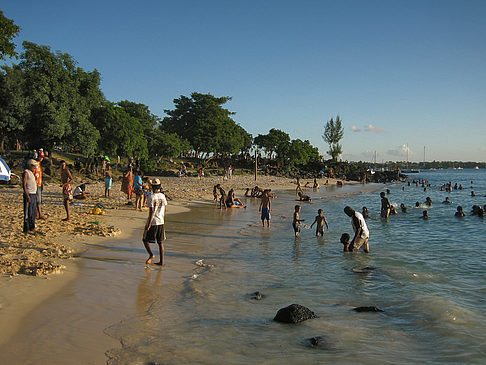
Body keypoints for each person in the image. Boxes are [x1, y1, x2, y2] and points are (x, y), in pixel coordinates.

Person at [142, 178, 168, 265]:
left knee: (145, 239)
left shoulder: (151, 197)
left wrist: (148, 225)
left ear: (152, 187)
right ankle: (161, 261)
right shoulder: (162, 196)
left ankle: (151, 255)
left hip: (153, 222)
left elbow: (151, 211)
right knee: (160, 242)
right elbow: (165, 208)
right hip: (161, 221)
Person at [23, 159, 38, 233]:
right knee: (28, 212)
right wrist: (27, 195)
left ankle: (32, 227)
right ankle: (27, 228)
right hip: (29, 194)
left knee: (33, 212)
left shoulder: (31, 173)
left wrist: (36, 195)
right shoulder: (26, 172)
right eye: (33, 166)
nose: (34, 167)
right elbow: (24, 185)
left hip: (33, 194)